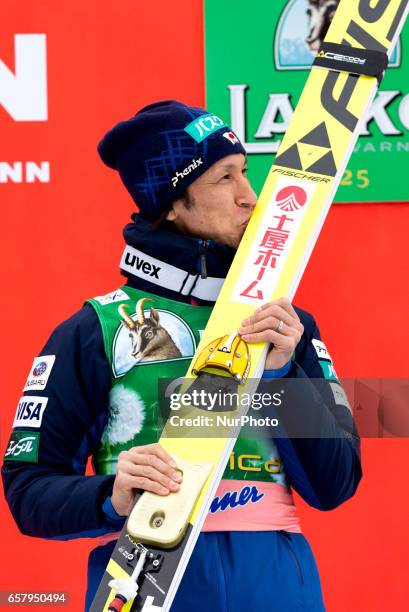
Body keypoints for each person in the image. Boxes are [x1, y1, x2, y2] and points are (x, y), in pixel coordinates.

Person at [2, 100, 361, 611]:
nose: (250, 197)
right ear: (172, 202)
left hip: (277, 586)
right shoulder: (94, 331)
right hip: (142, 582)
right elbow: (28, 490)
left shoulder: (285, 325)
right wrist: (110, 494)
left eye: (246, 173)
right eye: (224, 179)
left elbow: (337, 482)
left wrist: (281, 376)